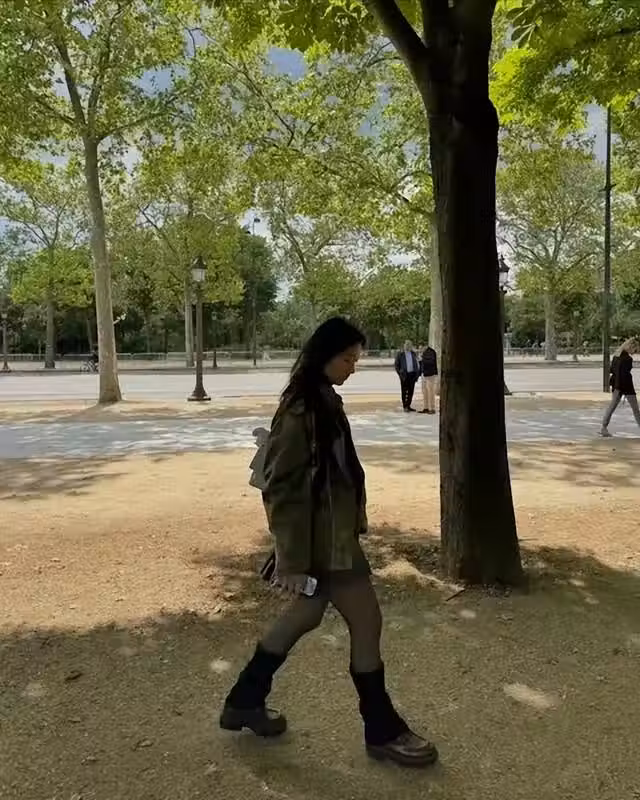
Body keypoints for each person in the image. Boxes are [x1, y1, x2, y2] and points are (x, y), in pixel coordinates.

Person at [219, 317, 438, 768]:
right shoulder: (303, 408)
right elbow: (281, 487)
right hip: (326, 543)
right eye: (347, 358)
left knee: (306, 614)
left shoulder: (321, 400)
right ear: (324, 356)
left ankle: (244, 699)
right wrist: (291, 559)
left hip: (330, 536)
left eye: (356, 359)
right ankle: (382, 729)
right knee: (367, 621)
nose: (353, 367)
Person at [601, 336, 640, 437]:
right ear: (630, 347)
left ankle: (604, 427)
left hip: (616, 385)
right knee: (636, 409)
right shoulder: (628, 359)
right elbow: (625, 375)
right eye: (635, 350)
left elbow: (611, 370)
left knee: (611, 407)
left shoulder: (616, 356)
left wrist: (617, 387)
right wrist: (625, 389)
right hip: (626, 386)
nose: (635, 352)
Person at [394, 340, 420, 412]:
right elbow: (396, 365)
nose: (408, 346)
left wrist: (417, 374)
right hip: (404, 375)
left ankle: (408, 405)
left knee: (411, 391)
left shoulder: (413, 354)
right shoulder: (400, 354)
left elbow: (417, 363)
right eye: (407, 344)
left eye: (409, 345)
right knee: (404, 391)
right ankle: (405, 406)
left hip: (412, 374)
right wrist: (400, 373)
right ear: (404, 345)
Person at [419, 344, 438, 415]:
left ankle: (432, 408)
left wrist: (422, 358)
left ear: (425, 346)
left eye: (421, 347)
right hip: (424, 374)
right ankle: (426, 407)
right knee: (424, 391)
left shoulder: (431, 352)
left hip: (430, 374)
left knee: (431, 392)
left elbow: (431, 362)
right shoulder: (424, 352)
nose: (420, 349)